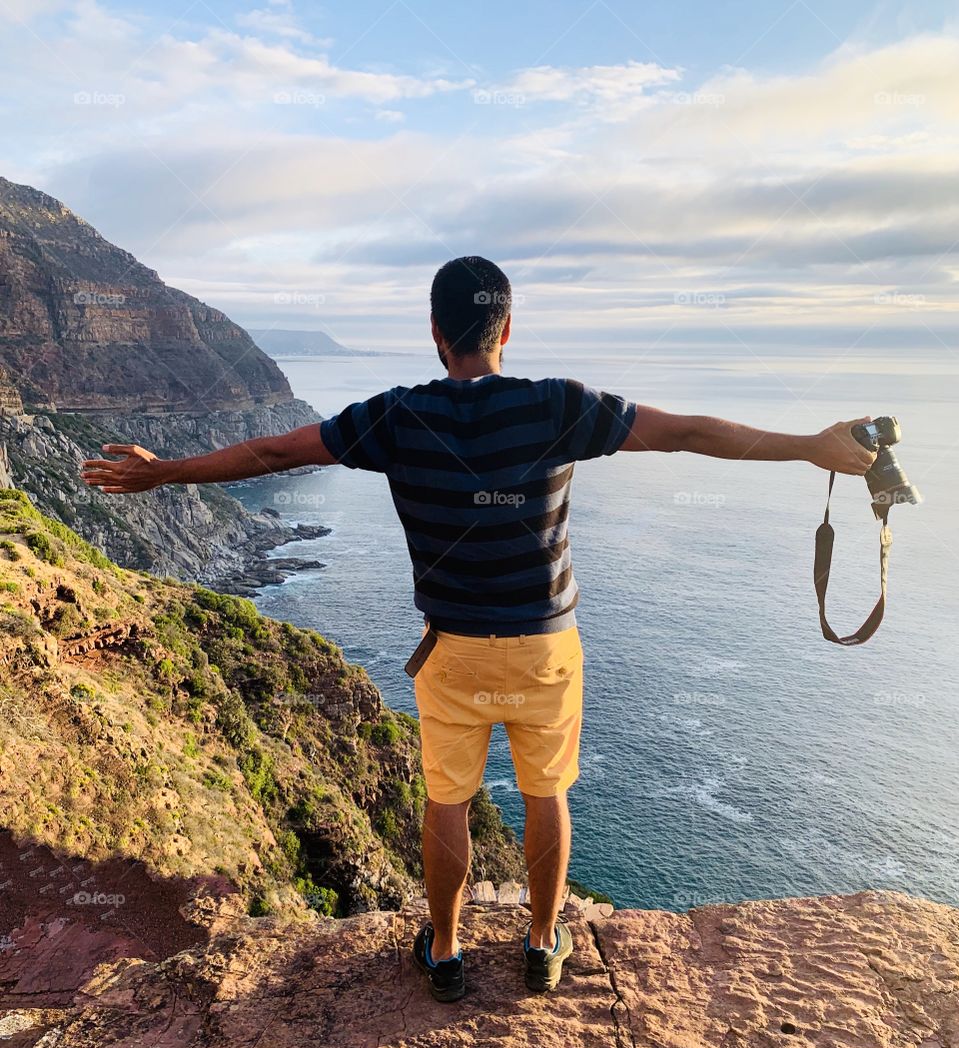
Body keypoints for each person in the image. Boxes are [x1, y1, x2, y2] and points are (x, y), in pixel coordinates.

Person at [82, 255, 877, 1003]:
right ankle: (539, 944)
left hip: (452, 649)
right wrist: (811, 449)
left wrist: (164, 472)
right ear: (506, 330)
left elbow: (267, 451)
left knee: (447, 802)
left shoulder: (396, 415)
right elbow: (688, 433)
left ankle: (449, 953)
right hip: (544, 647)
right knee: (547, 794)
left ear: (435, 333)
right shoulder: (558, 406)